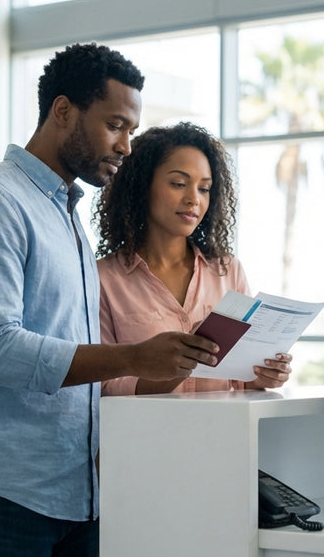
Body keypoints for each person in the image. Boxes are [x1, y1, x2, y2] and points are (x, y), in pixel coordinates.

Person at [0, 43, 220, 557]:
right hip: (2, 489)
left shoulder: (64, 214)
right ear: (63, 111)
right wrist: (135, 356)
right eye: (115, 124)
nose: (125, 145)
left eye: (132, 129)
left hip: (73, 489)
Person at [94, 121, 293, 394]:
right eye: (178, 183)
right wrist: (177, 367)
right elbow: (101, 385)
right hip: (144, 435)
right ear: (142, 186)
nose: (193, 199)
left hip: (222, 433)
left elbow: (239, 378)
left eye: (204, 188)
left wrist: (262, 375)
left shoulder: (228, 271)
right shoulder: (102, 279)